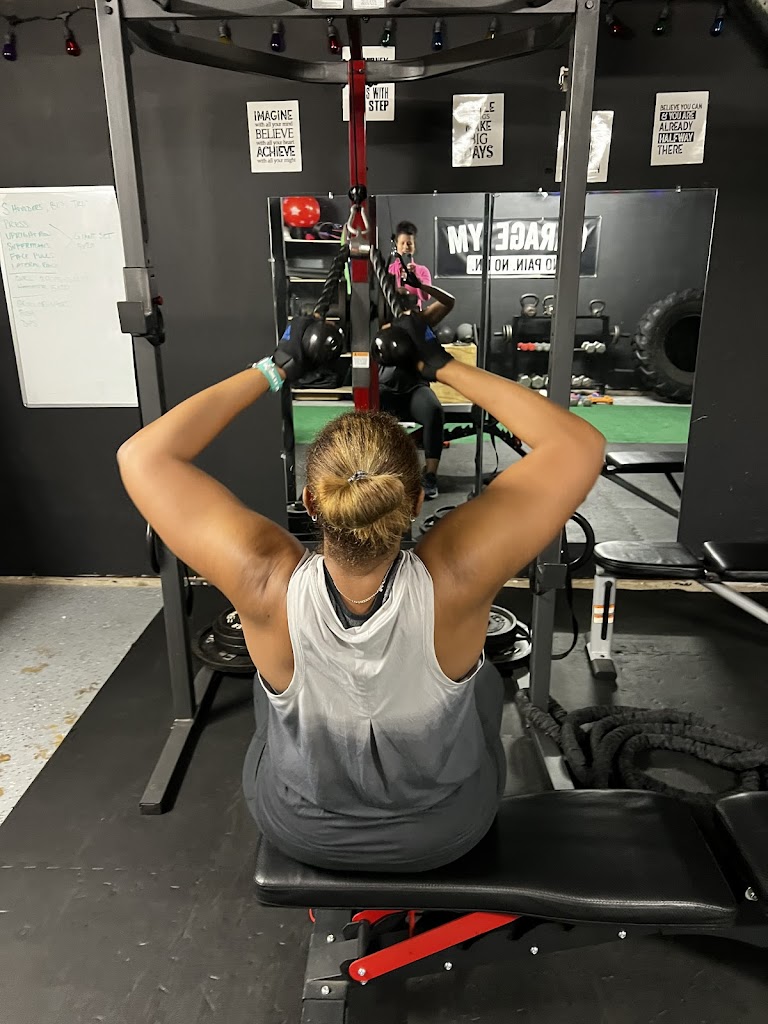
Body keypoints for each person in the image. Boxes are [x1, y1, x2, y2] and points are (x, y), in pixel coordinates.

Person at [116, 318, 604, 874]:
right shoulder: (457, 574)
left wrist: (277, 368)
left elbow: (143, 457)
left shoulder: (263, 578)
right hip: (445, 833)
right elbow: (578, 445)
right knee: (487, 684)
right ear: (415, 502)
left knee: (266, 691)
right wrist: (440, 366)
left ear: (310, 501)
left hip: (302, 830)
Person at [387, 219, 432, 309]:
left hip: (414, 314)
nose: (405, 247)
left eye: (409, 243)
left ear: (414, 246)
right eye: (402, 243)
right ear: (396, 245)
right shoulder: (389, 270)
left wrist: (417, 279)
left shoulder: (422, 271)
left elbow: (426, 297)